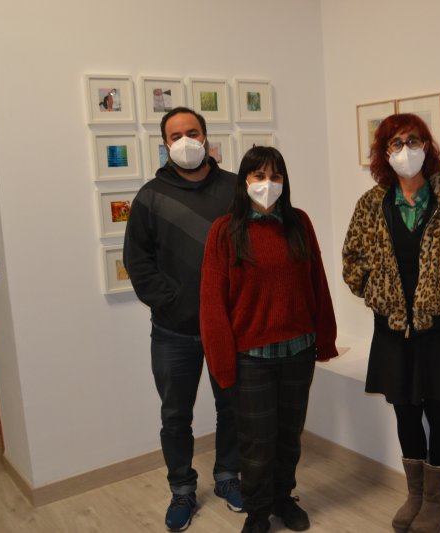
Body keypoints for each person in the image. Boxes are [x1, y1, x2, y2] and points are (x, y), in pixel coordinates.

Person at [342, 114, 440, 533]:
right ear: (383, 153)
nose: (405, 150)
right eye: (394, 143)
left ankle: (435, 500)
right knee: (405, 413)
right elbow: (352, 261)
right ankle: (413, 494)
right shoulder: (372, 205)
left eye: (413, 140)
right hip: (392, 331)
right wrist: (374, 290)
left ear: (427, 146)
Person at [200, 146, 338, 533]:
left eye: (275, 176)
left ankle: (283, 499)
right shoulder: (225, 231)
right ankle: (258, 512)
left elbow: (318, 285)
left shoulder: (300, 223)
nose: (267, 184)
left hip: (298, 350)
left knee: (289, 436)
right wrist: (222, 363)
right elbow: (212, 303)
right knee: (257, 443)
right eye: (258, 176)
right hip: (251, 358)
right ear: (244, 181)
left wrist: (325, 339)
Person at [123, 106, 244, 532]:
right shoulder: (149, 197)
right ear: (165, 144)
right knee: (176, 415)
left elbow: (250, 252)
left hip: (227, 329)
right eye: (176, 135)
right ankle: (182, 489)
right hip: (173, 332)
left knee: (232, 407)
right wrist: (171, 302)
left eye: (192, 132)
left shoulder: (235, 190)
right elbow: (137, 263)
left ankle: (229, 477)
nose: (185, 141)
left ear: (207, 138)